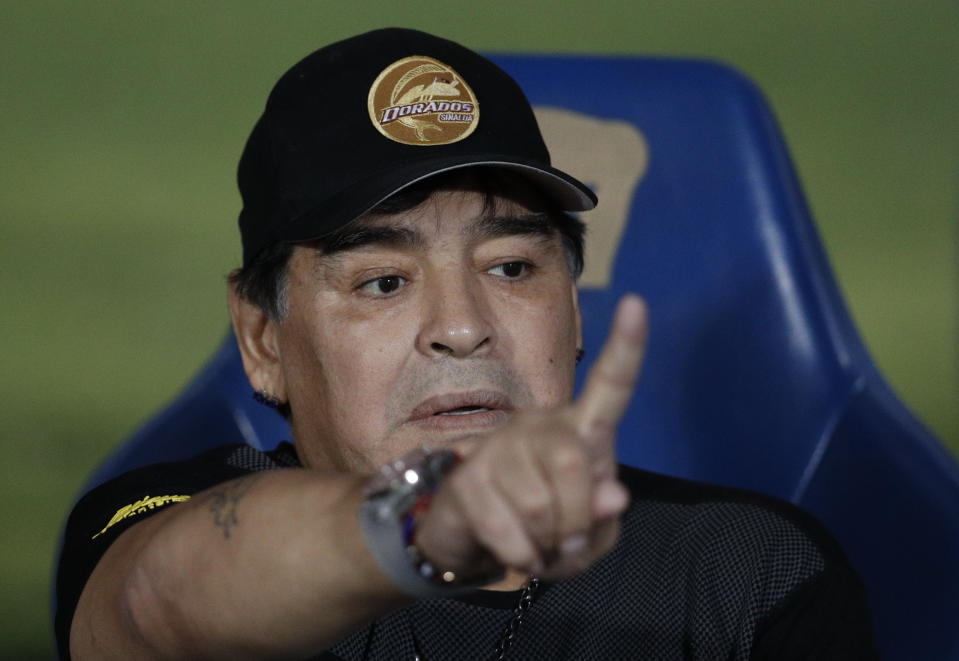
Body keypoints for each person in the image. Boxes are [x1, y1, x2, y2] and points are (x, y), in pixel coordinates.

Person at [55, 28, 878, 660]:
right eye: (382, 281)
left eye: (513, 265)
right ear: (261, 336)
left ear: (575, 311)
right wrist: (423, 521)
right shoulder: (165, 517)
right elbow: (152, 605)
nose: (461, 325)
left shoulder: (751, 574)